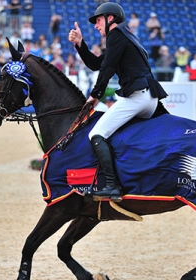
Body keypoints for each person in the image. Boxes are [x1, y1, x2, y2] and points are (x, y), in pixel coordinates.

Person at [68, 2, 168, 202]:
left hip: (138, 98)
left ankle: (113, 186)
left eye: (98, 21)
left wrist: (95, 94)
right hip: (149, 98)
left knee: (96, 133)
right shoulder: (125, 36)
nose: (96, 26)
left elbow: (107, 69)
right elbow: (98, 64)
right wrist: (80, 44)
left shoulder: (116, 35)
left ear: (110, 18)